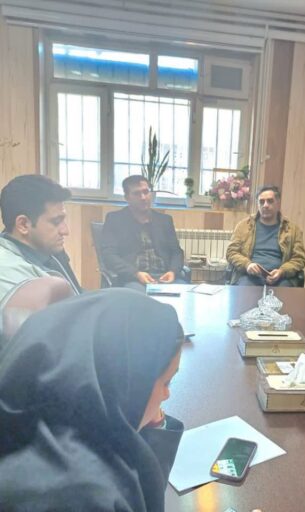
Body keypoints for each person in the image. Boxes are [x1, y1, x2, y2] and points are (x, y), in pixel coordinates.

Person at [0, 289, 184, 512]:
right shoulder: (85, 494)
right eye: (167, 382)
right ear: (127, 380)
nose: (166, 395)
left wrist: (152, 425)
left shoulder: (43, 416)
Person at [0, 174, 81, 302]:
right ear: (23, 224)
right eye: (56, 222)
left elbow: (78, 295)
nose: (65, 231)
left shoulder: (50, 250)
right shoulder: (8, 273)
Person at [101, 175, 185, 291]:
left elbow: (177, 252)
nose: (143, 197)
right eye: (136, 193)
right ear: (127, 198)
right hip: (133, 279)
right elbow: (109, 256)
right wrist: (135, 274)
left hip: (165, 277)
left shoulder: (165, 220)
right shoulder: (115, 220)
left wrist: (173, 271)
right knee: (139, 298)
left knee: (186, 294)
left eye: (146, 192)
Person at [226, 185, 305, 287]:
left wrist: (282, 271)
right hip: (250, 276)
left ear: (278, 203)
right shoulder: (243, 226)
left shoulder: (293, 230)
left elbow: (299, 258)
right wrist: (247, 265)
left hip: (281, 278)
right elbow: (231, 252)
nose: (265, 205)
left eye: (270, 201)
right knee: (246, 294)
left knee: (284, 295)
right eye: (261, 202)